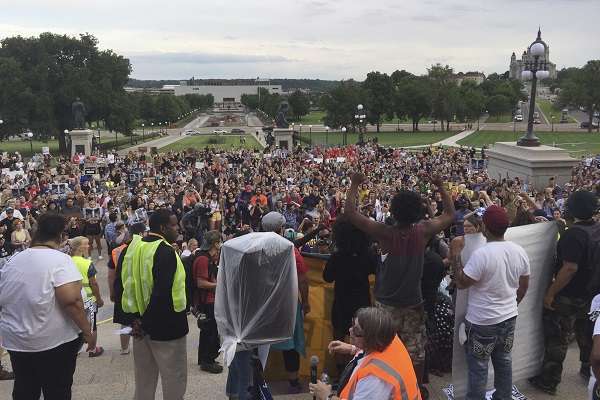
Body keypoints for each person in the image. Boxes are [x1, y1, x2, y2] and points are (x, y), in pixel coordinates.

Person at [344, 172, 455, 396]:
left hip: (385, 306)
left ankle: (381, 387)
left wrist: (355, 183)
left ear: (393, 211)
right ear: (417, 211)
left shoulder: (384, 233)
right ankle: (414, 389)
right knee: (416, 353)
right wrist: (440, 184)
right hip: (413, 304)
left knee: (378, 349)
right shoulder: (423, 231)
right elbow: (451, 214)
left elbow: (351, 213)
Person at [0, 213, 96, 399]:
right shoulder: (60, 260)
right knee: (57, 390)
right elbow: (72, 301)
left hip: (18, 342)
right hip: (53, 343)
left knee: (25, 390)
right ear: (61, 236)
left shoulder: (12, 262)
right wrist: (87, 331)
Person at [452, 205, 531, 400]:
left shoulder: (482, 254)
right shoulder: (519, 250)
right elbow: (524, 285)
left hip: (482, 322)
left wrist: (455, 254)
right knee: (504, 361)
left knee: (478, 368)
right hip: (509, 318)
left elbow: (461, 284)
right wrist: (512, 305)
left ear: (484, 228)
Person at [113, 209, 189, 400]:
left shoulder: (129, 249)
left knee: (144, 379)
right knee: (174, 378)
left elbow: (121, 286)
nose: (177, 228)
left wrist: (133, 321)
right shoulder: (166, 252)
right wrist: (144, 322)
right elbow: (162, 293)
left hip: (139, 326)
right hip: (167, 328)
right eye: (174, 224)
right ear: (163, 228)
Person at [530, 190, 600, 395]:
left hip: (569, 295)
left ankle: (548, 380)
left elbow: (569, 268)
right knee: (586, 333)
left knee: (558, 338)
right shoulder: (596, 229)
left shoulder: (573, 234)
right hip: (591, 293)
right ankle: (588, 369)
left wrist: (550, 293)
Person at [309, 307, 422, 400]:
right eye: (353, 323)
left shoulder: (375, 379)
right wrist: (353, 348)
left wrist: (326, 396)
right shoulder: (391, 339)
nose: (350, 330)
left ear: (370, 339)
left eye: (357, 330)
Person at [262, 211, 310, 393]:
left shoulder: (255, 248)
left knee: (260, 341)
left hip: (263, 303)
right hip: (287, 302)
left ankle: (257, 379)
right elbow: (303, 279)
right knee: (290, 342)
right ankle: (293, 381)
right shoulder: (290, 249)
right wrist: (306, 302)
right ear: (281, 229)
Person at [323, 219, 378, 373]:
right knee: (363, 336)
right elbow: (378, 272)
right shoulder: (368, 255)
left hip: (341, 301)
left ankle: (341, 372)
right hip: (362, 302)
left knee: (339, 335)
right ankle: (362, 367)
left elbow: (327, 277)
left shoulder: (337, 256)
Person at [108, 222, 147, 355]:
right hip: (137, 290)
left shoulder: (119, 250)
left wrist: (112, 292)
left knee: (125, 321)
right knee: (138, 320)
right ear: (141, 234)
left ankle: (124, 348)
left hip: (122, 289)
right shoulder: (144, 249)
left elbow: (111, 274)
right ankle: (141, 347)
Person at [193, 230, 223, 373]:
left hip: (209, 300)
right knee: (210, 332)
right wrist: (220, 286)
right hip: (206, 301)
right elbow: (201, 283)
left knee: (208, 331)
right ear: (215, 243)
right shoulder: (203, 260)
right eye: (219, 242)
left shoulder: (207, 258)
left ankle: (206, 359)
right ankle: (207, 361)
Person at [70, 236, 105, 357]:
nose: (89, 246)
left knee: (74, 324)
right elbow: (93, 284)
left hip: (73, 298)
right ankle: (93, 349)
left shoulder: (67, 261)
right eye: (86, 244)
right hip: (89, 299)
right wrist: (99, 299)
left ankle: (76, 350)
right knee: (92, 323)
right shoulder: (87, 263)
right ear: (80, 248)